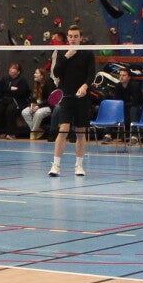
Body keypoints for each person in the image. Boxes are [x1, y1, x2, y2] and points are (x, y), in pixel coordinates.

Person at [47, 24, 96, 177]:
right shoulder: (62, 52)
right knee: (63, 129)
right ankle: (56, 165)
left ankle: (79, 166)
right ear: (67, 38)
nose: (73, 39)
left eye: (76, 36)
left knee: (80, 132)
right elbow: (56, 72)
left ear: (81, 38)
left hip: (82, 97)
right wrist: (66, 56)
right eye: (70, 36)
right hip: (66, 96)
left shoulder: (88, 53)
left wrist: (85, 86)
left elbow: (91, 74)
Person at [0, 61, 31, 135]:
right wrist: (10, 89)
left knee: (10, 110)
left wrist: (11, 90)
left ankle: (11, 133)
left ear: (18, 72)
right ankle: (0, 132)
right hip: (5, 99)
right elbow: (0, 89)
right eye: (10, 68)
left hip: (17, 101)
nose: (11, 69)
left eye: (13, 68)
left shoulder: (22, 80)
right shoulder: (5, 79)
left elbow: (24, 92)